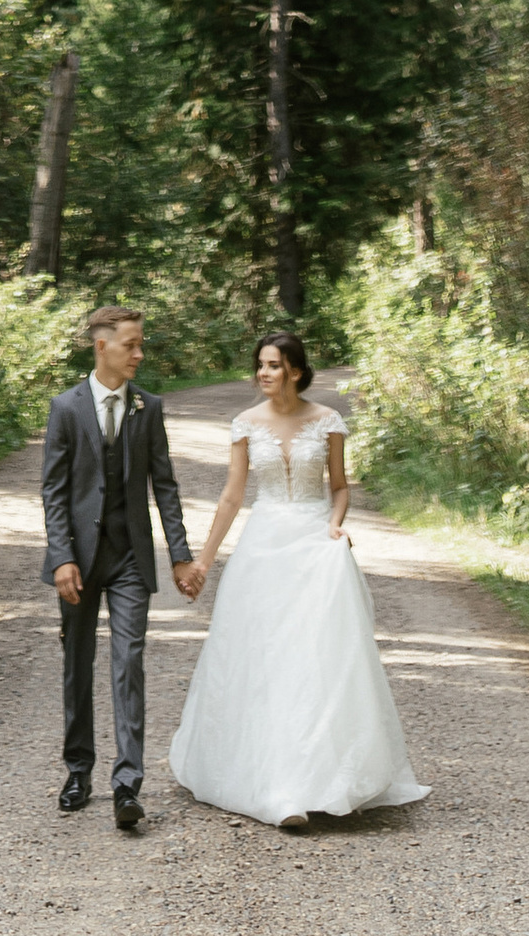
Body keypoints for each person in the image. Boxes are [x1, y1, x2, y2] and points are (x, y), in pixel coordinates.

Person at [168, 327, 429, 830]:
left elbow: (338, 487)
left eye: (271, 365)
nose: (262, 374)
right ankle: (273, 785)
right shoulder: (244, 423)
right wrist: (203, 559)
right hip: (264, 547)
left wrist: (336, 526)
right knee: (263, 657)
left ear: (295, 370)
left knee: (317, 658)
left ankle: (323, 779)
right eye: (259, 365)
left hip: (314, 543)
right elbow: (231, 496)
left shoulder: (327, 420)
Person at [39, 304, 204, 832]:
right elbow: (54, 491)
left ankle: (127, 783)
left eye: (140, 344)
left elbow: (166, 485)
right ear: (101, 345)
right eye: (131, 344)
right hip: (80, 563)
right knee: (77, 665)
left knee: (128, 663)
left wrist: (179, 553)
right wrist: (62, 556)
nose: (139, 354)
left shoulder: (147, 408)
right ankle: (78, 772)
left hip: (131, 556)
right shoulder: (65, 408)